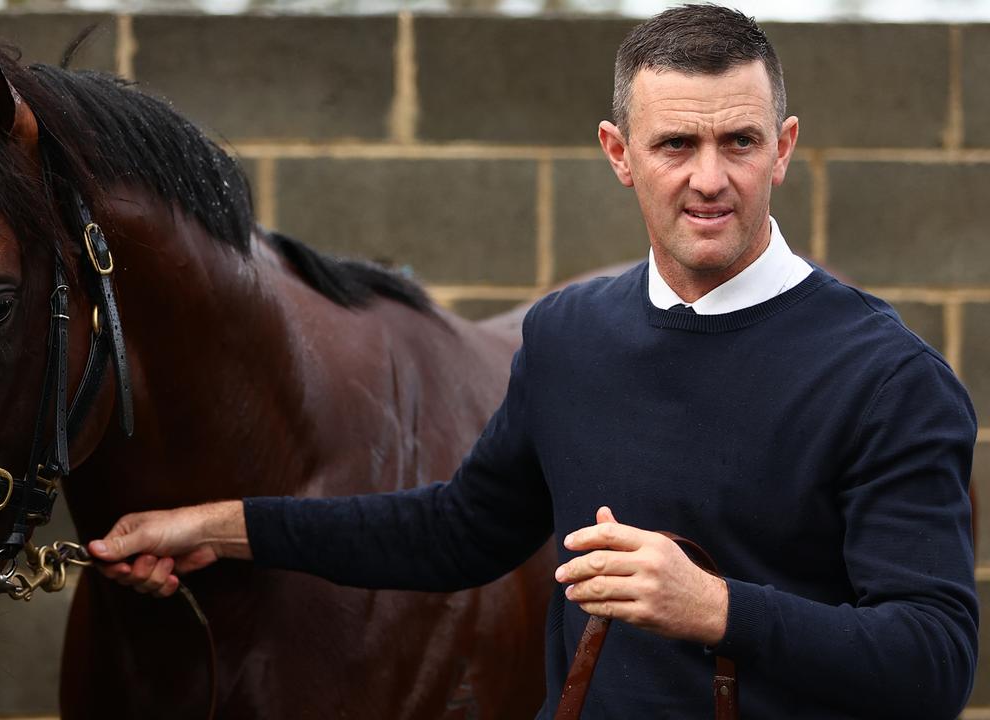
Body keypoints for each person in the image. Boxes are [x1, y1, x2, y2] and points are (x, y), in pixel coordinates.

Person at [85, 5, 979, 718]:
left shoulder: (888, 379)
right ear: (619, 154)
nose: (710, 178)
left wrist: (716, 610)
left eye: (738, 142)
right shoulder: (569, 337)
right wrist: (219, 527)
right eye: (676, 145)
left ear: (782, 148)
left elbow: (934, 663)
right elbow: (456, 531)